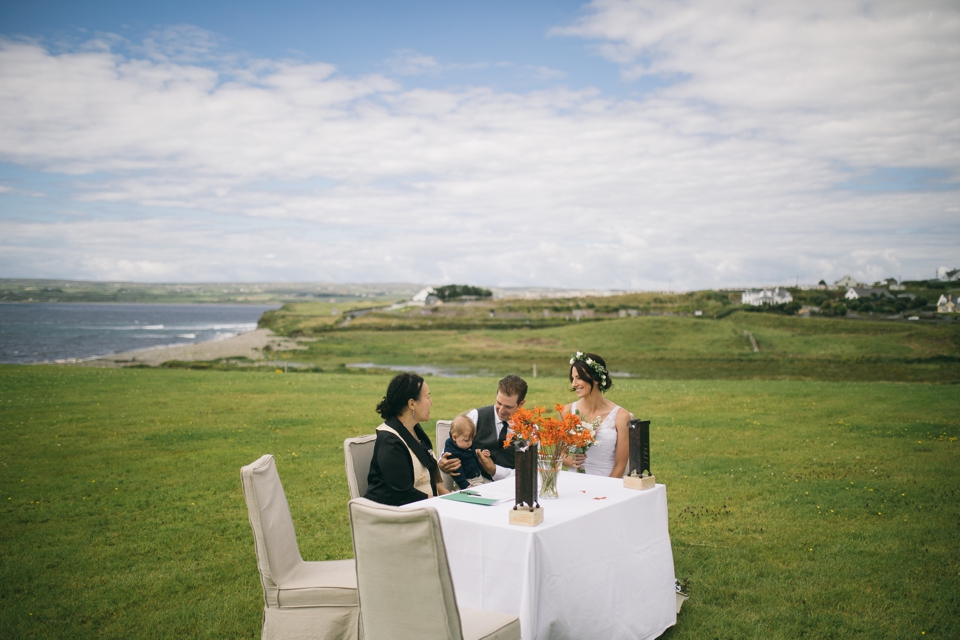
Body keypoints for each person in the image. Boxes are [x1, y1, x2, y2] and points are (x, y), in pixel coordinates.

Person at [364, 372, 449, 505]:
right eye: (427, 397)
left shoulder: (415, 430)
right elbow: (403, 494)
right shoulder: (390, 442)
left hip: (423, 507)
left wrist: (451, 497)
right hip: (392, 515)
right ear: (412, 404)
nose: (431, 403)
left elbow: (430, 477)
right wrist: (441, 503)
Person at [443, 374, 528, 482]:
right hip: (477, 485)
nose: (501, 410)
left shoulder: (530, 430)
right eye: (499, 403)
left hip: (513, 488)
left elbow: (530, 472)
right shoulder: (475, 417)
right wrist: (443, 460)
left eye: (508, 407)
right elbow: (453, 442)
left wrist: (495, 470)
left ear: (521, 403)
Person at [563, 352, 629, 477]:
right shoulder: (566, 412)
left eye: (579, 378)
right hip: (575, 480)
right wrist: (570, 461)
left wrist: (604, 490)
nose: (574, 384)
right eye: (573, 378)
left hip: (607, 482)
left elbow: (620, 465)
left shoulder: (621, 416)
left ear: (596, 379)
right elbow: (561, 453)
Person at [442, 414, 491, 490]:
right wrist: (465, 485)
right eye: (467, 440)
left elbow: (473, 452)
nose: (470, 443)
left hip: (479, 477)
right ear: (454, 437)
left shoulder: (465, 445)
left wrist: (482, 451)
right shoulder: (452, 453)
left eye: (472, 440)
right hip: (467, 482)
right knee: (483, 492)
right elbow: (456, 472)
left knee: (493, 486)